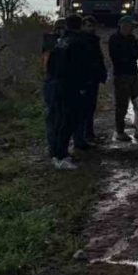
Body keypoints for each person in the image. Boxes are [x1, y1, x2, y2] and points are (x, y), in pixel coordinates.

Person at [46, 14, 91, 169]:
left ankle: (57, 152)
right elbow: (82, 68)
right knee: (69, 120)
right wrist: (83, 87)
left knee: (59, 120)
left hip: (57, 84)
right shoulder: (79, 43)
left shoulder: (60, 42)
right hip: (72, 87)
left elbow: (50, 65)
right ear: (80, 26)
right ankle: (61, 156)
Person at [109, 14, 138, 142]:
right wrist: (130, 55)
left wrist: (129, 55)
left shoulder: (131, 38)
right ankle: (119, 131)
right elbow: (116, 57)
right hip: (121, 75)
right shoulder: (114, 39)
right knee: (121, 105)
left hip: (133, 74)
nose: (132, 29)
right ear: (124, 26)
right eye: (131, 26)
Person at [77, 16, 107, 146]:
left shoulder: (94, 40)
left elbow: (99, 59)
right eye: (87, 25)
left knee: (91, 107)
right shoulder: (82, 41)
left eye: (92, 25)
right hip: (85, 79)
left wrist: (102, 73)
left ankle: (89, 133)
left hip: (93, 78)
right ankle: (84, 135)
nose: (90, 28)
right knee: (84, 108)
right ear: (82, 26)